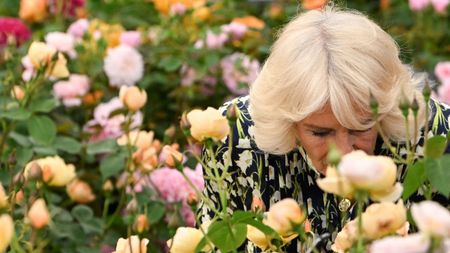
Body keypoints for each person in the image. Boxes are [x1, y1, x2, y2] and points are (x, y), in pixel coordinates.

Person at [198, 6, 450, 253]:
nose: (342, 152)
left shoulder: (437, 134)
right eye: (320, 132)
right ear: (288, 122)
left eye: (361, 127)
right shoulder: (232, 136)